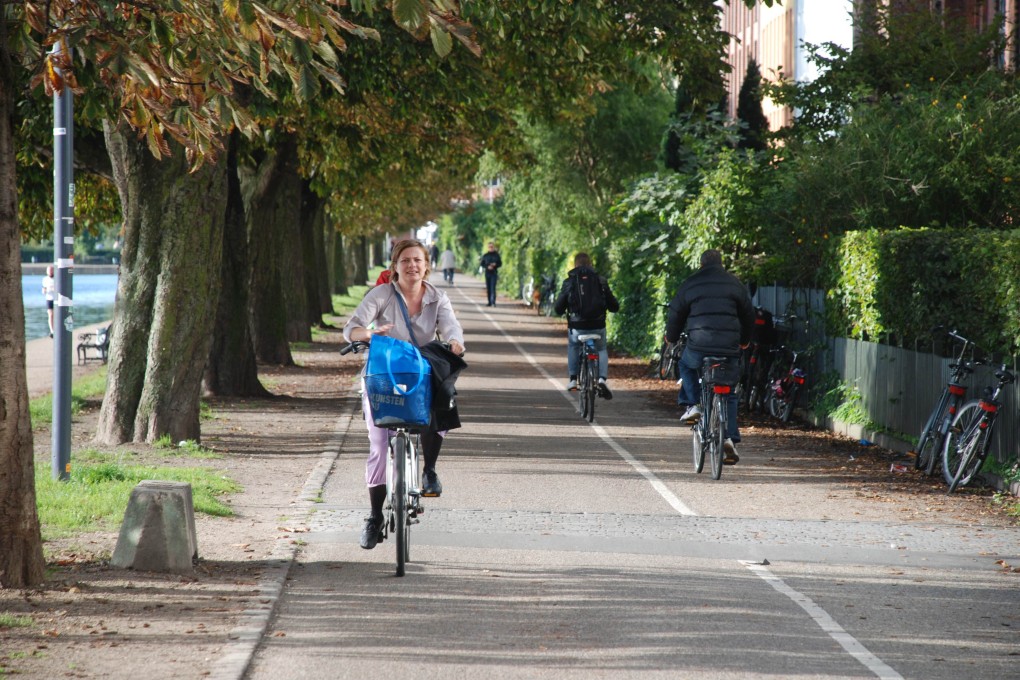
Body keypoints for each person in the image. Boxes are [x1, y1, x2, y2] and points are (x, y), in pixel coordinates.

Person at [343, 239, 466, 550]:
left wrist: (454, 342)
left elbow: (452, 328)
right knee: (378, 444)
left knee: (443, 399)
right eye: (406, 261)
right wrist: (368, 334)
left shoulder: (438, 298)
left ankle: (429, 471)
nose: (412, 265)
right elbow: (351, 328)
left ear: (427, 265)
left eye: (418, 260)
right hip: (383, 373)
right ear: (395, 266)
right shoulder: (381, 295)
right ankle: (374, 517)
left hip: (420, 371)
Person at [665, 249, 754, 465]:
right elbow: (748, 314)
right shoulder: (735, 284)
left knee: (686, 365)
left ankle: (694, 404)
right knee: (729, 390)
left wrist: (672, 337)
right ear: (721, 264)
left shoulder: (691, 283)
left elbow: (676, 312)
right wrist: (745, 340)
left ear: (701, 264)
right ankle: (730, 438)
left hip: (699, 346)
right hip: (729, 348)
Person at [554, 252, 620, 399]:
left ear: (575, 265)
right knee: (601, 348)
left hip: (577, 327)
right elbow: (614, 305)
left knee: (573, 346)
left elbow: (558, 308)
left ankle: (573, 380)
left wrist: (562, 309)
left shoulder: (569, 281)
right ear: (590, 264)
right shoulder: (600, 280)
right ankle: (602, 379)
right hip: (598, 325)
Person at [479, 241, 501, 306]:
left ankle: (493, 302)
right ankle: (489, 302)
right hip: (487, 273)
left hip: (494, 273)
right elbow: (482, 263)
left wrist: (495, 265)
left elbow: (500, 263)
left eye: (492, 247)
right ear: (488, 248)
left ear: (493, 247)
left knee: (493, 288)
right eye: (489, 247)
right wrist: (487, 266)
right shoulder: (485, 255)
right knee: (488, 288)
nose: (491, 248)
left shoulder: (497, 255)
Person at [42, 265, 55, 337]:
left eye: (51, 270)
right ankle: (52, 330)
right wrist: (45, 291)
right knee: (50, 314)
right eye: (49, 270)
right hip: (49, 298)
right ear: (47, 272)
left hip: (56, 299)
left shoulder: (57, 278)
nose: (50, 272)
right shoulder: (45, 279)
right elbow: (44, 289)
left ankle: (57, 329)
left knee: (56, 315)